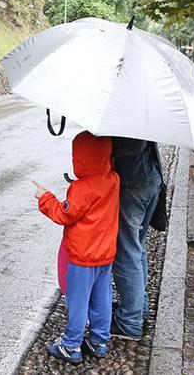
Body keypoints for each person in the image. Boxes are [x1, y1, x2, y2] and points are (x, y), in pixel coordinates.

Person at [33, 131, 120, 364]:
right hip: (105, 254)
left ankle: (71, 345)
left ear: (80, 158)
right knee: (102, 299)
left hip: (82, 257)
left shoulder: (82, 188)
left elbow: (65, 214)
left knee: (78, 301)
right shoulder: (113, 179)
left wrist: (45, 197)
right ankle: (99, 341)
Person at [111, 138, 163, 341]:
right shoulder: (145, 110)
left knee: (126, 253)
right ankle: (138, 308)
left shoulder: (128, 111)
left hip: (133, 184)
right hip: (149, 179)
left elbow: (131, 147)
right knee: (137, 248)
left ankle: (130, 322)